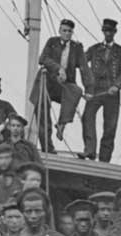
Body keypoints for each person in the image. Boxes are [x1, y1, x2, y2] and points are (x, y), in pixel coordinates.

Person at [31, 19, 91, 154]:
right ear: (59, 31)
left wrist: (89, 90)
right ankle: (48, 147)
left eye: (69, 31)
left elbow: (84, 68)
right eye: (64, 30)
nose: (67, 33)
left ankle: (62, 123)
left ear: (72, 33)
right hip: (47, 82)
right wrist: (58, 68)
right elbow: (42, 59)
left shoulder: (77, 48)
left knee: (76, 90)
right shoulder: (52, 42)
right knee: (42, 114)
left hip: (63, 85)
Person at [81, 19, 121, 162]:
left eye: (111, 31)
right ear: (103, 32)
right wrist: (88, 86)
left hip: (112, 93)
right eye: (106, 31)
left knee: (110, 125)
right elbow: (81, 62)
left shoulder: (120, 51)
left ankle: (105, 158)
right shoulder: (94, 49)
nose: (108, 34)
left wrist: (117, 85)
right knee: (87, 117)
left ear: (115, 33)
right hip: (95, 90)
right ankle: (89, 151)